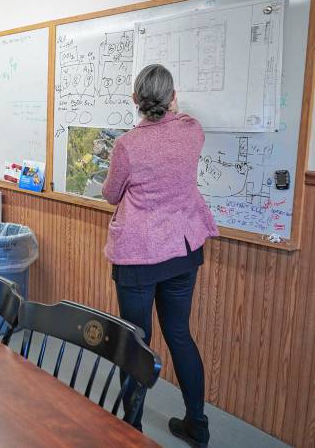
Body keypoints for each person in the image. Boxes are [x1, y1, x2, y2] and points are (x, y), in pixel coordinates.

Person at [102, 64, 218, 446]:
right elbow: (179, 120)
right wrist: (172, 107)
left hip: (139, 255)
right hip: (183, 252)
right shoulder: (192, 132)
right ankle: (197, 426)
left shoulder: (128, 145)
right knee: (180, 335)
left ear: (135, 100)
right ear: (172, 98)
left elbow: (111, 194)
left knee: (135, 340)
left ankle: (131, 429)